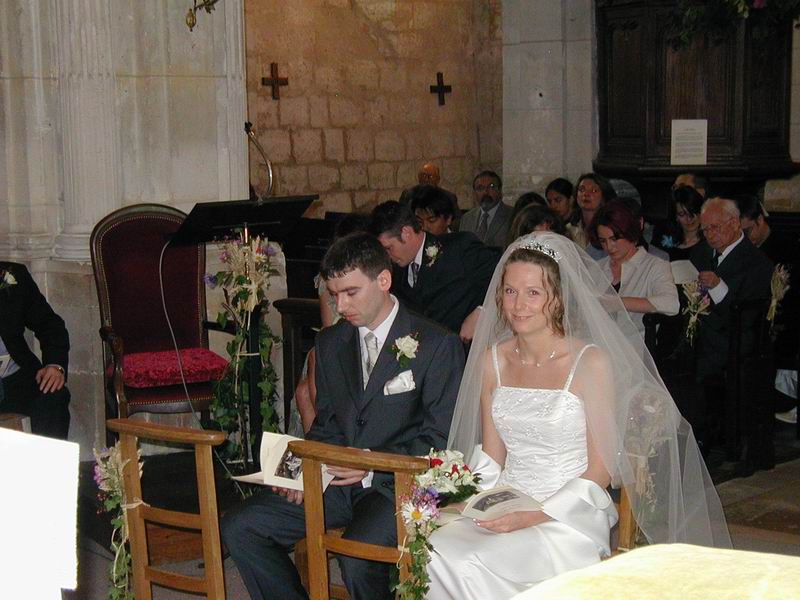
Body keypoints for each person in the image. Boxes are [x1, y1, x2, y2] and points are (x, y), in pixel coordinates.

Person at [426, 233, 730, 600]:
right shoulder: (493, 360)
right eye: (510, 291)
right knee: (436, 545)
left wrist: (534, 515)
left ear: (558, 298)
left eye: (533, 292)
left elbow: (600, 470)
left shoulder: (590, 362)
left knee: (471, 561)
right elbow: (492, 458)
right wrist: (465, 502)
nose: (519, 305)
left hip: (569, 512)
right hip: (506, 500)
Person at [222, 232, 465, 600]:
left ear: (383, 280)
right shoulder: (331, 342)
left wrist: (370, 465)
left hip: (398, 486)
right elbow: (328, 424)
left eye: (351, 292)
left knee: (357, 558)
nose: (340, 305)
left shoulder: (436, 344)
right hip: (334, 481)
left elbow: (442, 440)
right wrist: (294, 472)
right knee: (241, 526)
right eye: (334, 294)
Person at [370, 201, 500, 341]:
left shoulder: (459, 248)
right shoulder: (395, 272)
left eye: (389, 248)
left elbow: (502, 275)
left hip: (465, 346)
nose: (388, 256)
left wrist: (482, 312)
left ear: (406, 233)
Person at [292, 213, 371, 434]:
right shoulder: (327, 280)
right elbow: (329, 326)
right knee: (303, 390)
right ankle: (319, 439)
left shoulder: (371, 273)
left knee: (307, 387)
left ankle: (330, 429)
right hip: (337, 337)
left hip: (360, 334)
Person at [0, 262, 70, 439]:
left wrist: (54, 365)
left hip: (15, 376)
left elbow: (49, 325)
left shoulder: (13, 275)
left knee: (53, 394)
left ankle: (51, 457)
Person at [590, 200, 679, 337]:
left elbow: (671, 304)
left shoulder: (655, 266)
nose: (609, 247)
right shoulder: (597, 268)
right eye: (603, 241)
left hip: (634, 345)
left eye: (614, 239)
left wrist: (619, 303)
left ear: (629, 233)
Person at [460, 170, 513, 248]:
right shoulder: (467, 218)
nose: (485, 192)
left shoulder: (512, 215)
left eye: (491, 187)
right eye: (480, 188)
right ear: (474, 193)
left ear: (500, 191)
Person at [655, 186, 705, 261]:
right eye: (682, 214)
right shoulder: (663, 239)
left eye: (692, 212)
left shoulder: (709, 243)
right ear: (675, 216)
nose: (689, 219)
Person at [575, 173, 617, 260]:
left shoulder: (611, 229)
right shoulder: (569, 230)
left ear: (604, 197)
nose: (586, 194)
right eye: (581, 190)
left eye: (594, 191)